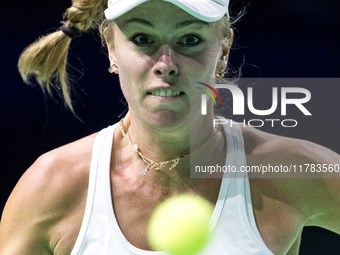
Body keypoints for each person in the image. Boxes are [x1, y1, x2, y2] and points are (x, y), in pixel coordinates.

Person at [0, 0, 339, 254]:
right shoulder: (50, 189)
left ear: (223, 50)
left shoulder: (291, 170)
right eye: (143, 38)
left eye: (189, 39)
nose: (166, 64)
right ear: (110, 47)